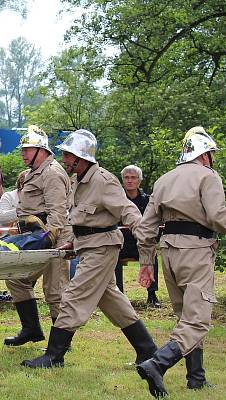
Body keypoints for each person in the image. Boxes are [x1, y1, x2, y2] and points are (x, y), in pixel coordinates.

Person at [135, 127, 226, 398]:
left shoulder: (164, 180)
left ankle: (196, 378)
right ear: (205, 155)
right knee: (197, 320)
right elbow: (217, 215)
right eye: (211, 154)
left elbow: (145, 228)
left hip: (168, 253)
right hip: (197, 251)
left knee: (185, 316)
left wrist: (146, 262)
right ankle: (157, 364)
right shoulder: (209, 176)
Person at [23, 129, 158, 370]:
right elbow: (84, 220)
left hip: (102, 249)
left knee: (74, 296)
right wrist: (74, 243)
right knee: (112, 301)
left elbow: (129, 213)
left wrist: (145, 242)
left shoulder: (103, 181)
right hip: (89, 246)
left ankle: (54, 356)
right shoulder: (78, 180)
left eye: (67, 155)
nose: (64, 159)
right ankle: (147, 350)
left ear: (80, 158)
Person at [4, 126, 71, 348]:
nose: (22, 153)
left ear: (41, 150)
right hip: (33, 236)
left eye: (27, 149)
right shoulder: (33, 172)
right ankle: (31, 329)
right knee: (16, 278)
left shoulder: (52, 172)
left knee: (54, 290)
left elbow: (57, 211)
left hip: (53, 236)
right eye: (22, 149)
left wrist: (49, 239)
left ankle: (61, 343)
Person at [114, 165, 160, 307]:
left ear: (139, 181)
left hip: (141, 243)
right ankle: (119, 297)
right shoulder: (116, 201)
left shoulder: (148, 201)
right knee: (113, 256)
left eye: (133, 178)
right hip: (121, 243)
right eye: (126, 178)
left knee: (153, 256)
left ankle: (152, 295)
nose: (129, 181)